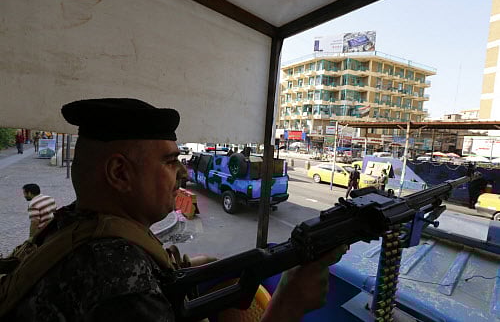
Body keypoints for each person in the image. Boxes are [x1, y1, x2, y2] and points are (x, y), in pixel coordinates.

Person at [3, 98, 348, 321]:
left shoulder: (73, 224)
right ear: (120, 173)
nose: (183, 173)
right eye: (170, 161)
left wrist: (183, 270)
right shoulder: (119, 280)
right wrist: (289, 306)